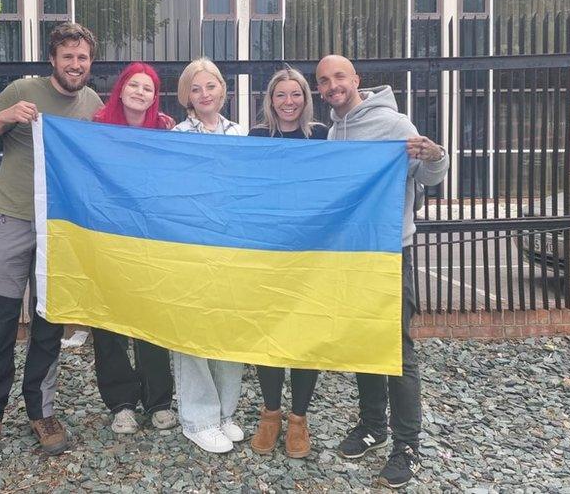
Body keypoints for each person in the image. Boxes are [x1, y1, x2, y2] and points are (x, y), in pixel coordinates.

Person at [0, 23, 103, 469]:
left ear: (89, 62)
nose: (75, 65)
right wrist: (5, 116)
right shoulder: (22, 89)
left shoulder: (94, 103)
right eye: (67, 56)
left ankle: (42, 411)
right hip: (11, 220)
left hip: (60, 230)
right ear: (53, 59)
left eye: (82, 58)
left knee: (48, 323)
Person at [315, 54, 448, 489]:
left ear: (356, 79)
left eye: (339, 77)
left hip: (391, 253)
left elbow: (428, 175)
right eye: (324, 81)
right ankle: (373, 426)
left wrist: (435, 155)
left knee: (396, 350)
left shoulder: (394, 124)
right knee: (364, 344)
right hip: (352, 255)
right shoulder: (335, 130)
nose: (333, 85)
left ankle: (406, 444)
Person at [89, 62, 178, 434]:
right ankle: (121, 403)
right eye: (134, 85)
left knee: (151, 319)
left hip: (151, 240)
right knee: (109, 322)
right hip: (108, 238)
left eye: (148, 88)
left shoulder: (165, 129)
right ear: (121, 89)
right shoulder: (96, 127)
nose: (141, 92)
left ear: (154, 96)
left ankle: (158, 400)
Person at [246, 67, 326, 459]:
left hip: (312, 254)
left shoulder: (324, 136)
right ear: (270, 100)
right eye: (281, 95)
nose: (289, 102)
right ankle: (270, 414)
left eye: (296, 94)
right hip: (268, 252)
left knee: (305, 337)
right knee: (271, 334)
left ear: (306, 98)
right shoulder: (256, 138)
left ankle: (299, 419)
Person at [169, 58, 247, 454]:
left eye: (210, 87)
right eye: (196, 89)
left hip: (230, 245)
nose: (204, 95)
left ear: (222, 90)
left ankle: (225, 412)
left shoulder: (240, 133)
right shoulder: (177, 135)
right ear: (187, 95)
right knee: (192, 330)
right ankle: (197, 418)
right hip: (190, 244)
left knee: (228, 329)